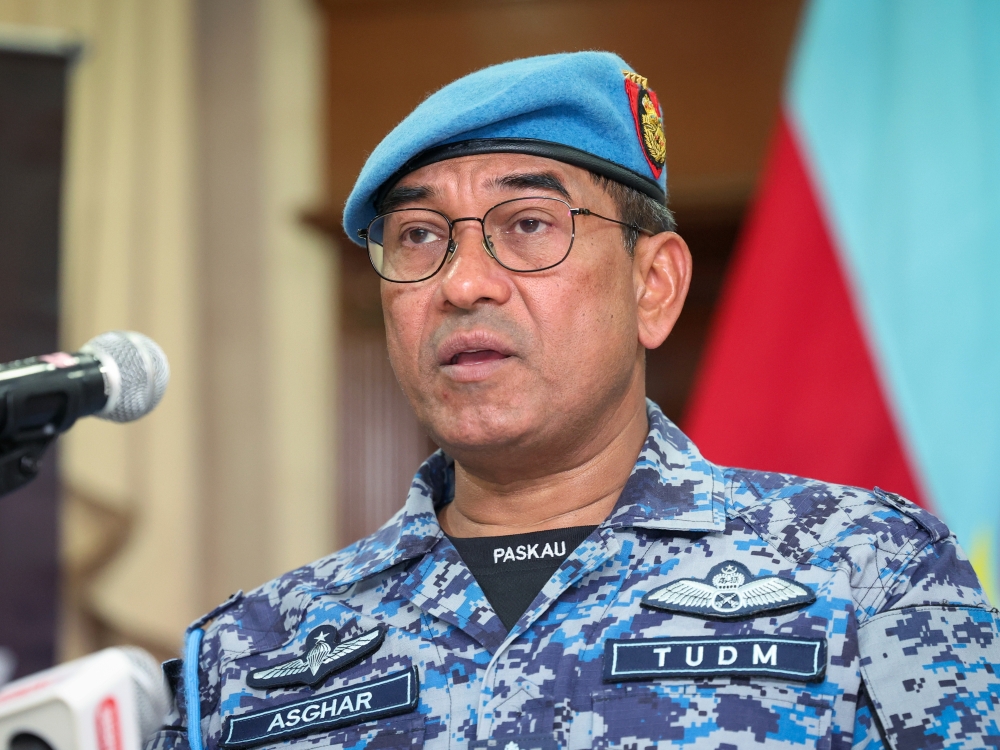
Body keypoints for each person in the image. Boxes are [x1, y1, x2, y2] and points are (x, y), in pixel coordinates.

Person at [146, 52, 999, 750]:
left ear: (653, 286)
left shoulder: (866, 571)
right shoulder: (253, 654)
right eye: (418, 237)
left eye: (527, 225)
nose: (463, 283)